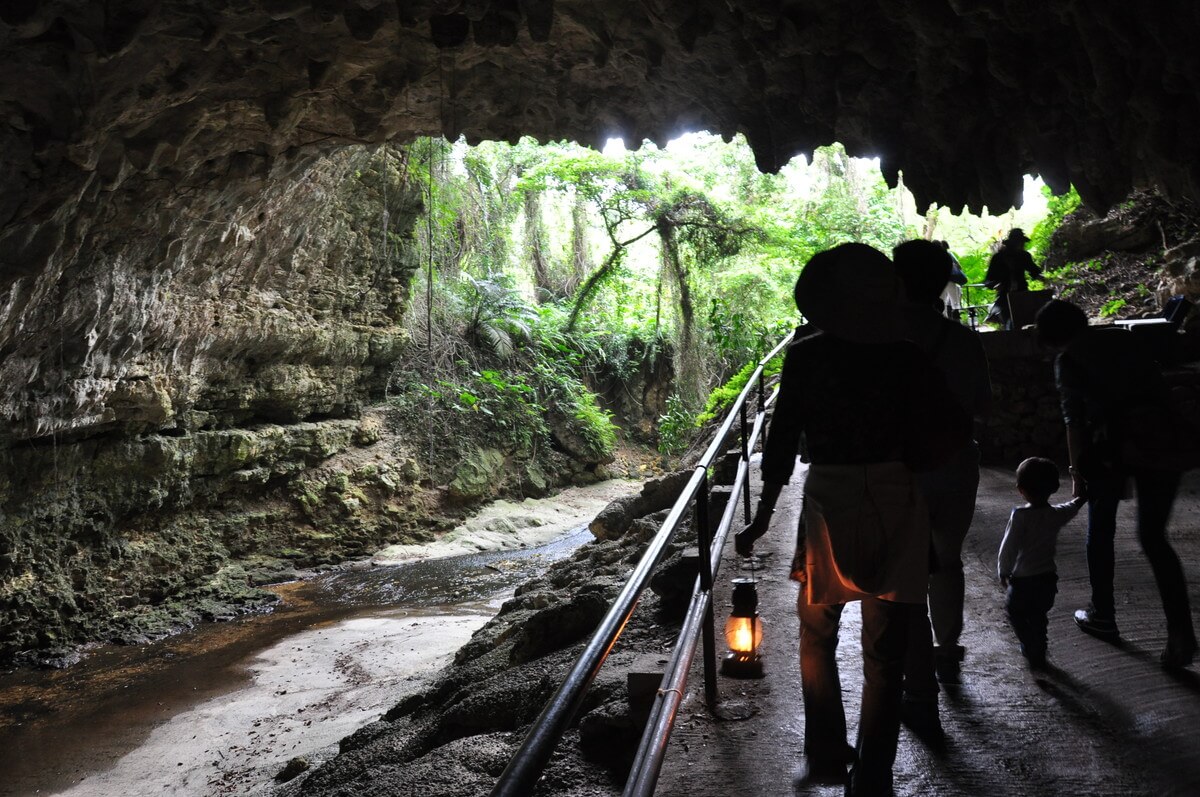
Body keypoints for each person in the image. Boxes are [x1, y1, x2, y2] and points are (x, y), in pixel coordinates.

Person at [736, 243, 964, 797]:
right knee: (885, 653)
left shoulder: (808, 355)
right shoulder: (909, 356)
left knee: (817, 633)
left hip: (829, 498)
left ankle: (826, 754)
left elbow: (783, 439)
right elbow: (947, 434)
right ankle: (875, 777)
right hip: (897, 496)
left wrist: (764, 514)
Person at [1035, 299, 1197, 668]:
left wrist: (1077, 473)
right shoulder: (1125, 338)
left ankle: (1103, 614)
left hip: (1108, 451)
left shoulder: (1069, 361)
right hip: (1158, 440)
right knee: (1154, 538)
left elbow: (1073, 421)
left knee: (1101, 527)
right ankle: (1180, 634)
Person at [891, 240, 992, 734]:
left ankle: (914, 674)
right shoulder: (961, 340)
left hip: (898, 466)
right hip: (953, 462)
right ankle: (946, 649)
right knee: (946, 559)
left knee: (903, 569)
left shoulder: (878, 337)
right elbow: (982, 403)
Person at [997, 457, 1085, 668]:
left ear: (1020, 489)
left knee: (1015, 613)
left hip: (1023, 582)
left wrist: (1003, 570)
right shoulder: (1054, 514)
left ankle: (1029, 645)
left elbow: (1008, 547)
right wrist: (1081, 496)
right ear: (1054, 488)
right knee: (1038, 616)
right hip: (1047, 580)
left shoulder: (1020, 516)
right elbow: (1071, 507)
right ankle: (1039, 647)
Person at [984, 229, 1041, 328]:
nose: (1022, 245)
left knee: (1026, 321)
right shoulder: (998, 258)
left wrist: (1044, 278)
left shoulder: (1024, 256)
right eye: (1020, 242)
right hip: (1004, 297)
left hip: (1022, 294)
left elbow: (1034, 271)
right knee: (1009, 323)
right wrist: (995, 285)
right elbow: (988, 280)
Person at [936, 240, 968, 322]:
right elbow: (959, 266)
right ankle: (957, 322)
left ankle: (944, 322)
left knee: (942, 303)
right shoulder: (949, 255)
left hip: (940, 282)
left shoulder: (935, 256)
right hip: (951, 281)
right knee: (955, 303)